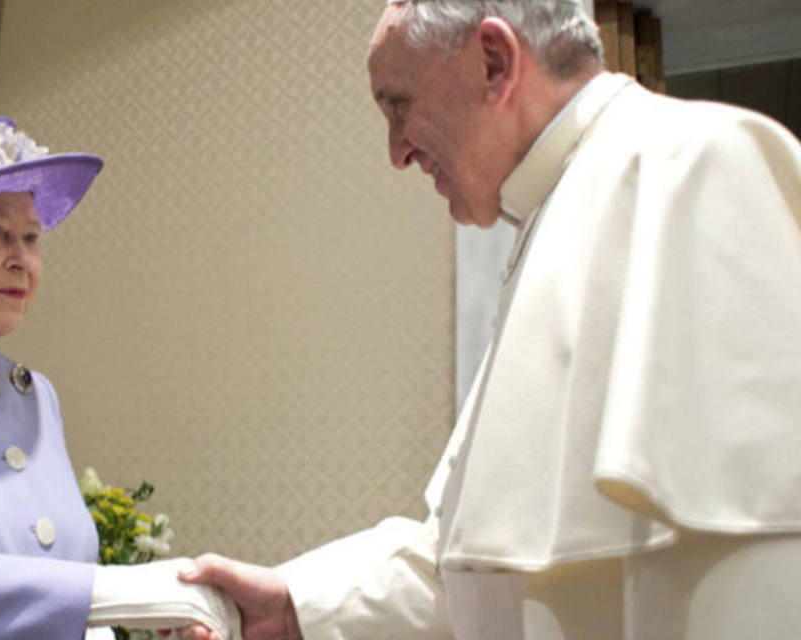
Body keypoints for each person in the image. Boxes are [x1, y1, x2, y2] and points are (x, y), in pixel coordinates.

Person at [178, 0, 801, 639]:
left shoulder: (692, 164)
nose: (396, 152)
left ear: (495, 63)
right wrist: (293, 605)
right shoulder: (557, 206)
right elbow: (483, 564)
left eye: (398, 106)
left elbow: (754, 556)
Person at [0, 108, 239, 640]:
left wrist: (128, 623)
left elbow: (61, 588)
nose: (22, 260)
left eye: (31, 238)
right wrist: (125, 594)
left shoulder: (36, 395)